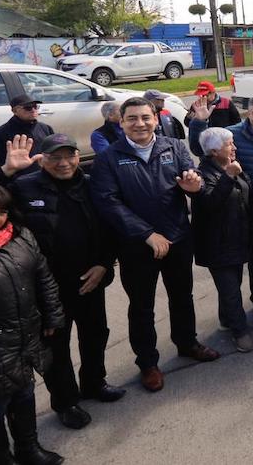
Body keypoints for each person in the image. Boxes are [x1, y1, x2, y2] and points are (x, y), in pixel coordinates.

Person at [0, 134, 123, 431]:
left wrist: (104, 264)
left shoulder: (93, 184)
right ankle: (65, 402)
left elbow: (111, 227)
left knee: (95, 334)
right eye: (55, 157)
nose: (64, 163)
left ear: (79, 156)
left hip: (91, 279)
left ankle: (94, 384)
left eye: (70, 155)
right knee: (56, 348)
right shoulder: (24, 187)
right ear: (42, 159)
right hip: (47, 288)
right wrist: (6, 172)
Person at [92, 96, 219, 393]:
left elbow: (194, 176)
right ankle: (148, 363)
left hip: (177, 238)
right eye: (132, 118)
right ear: (121, 122)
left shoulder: (172, 147)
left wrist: (195, 185)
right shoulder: (109, 158)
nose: (140, 123)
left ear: (155, 119)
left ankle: (187, 343)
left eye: (145, 117)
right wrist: (147, 234)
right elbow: (108, 204)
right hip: (137, 246)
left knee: (182, 296)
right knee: (142, 307)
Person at [0, 182, 65, 465]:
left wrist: (53, 314)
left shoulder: (19, 237)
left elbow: (43, 276)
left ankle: (28, 450)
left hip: (24, 339)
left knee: (24, 396)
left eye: (1, 211)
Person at [189, 95, 253, 320]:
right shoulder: (233, 133)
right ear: (248, 113)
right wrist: (200, 122)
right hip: (247, 205)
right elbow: (202, 148)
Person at [191, 126, 253, 353]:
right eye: (230, 144)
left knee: (232, 285)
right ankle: (240, 331)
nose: (234, 148)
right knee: (230, 289)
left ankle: (227, 319)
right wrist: (228, 176)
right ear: (215, 150)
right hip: (217, 244)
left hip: (236, 239)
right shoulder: (202, 174)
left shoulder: (229, 165)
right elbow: (209, 203)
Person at [0, 94, 54, 174]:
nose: (33, 110)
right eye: (28, 107)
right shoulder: (0, 134)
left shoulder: (45, 128)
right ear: (15, 111)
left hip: (45, 175)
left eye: (35, 106)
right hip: (18, 180)